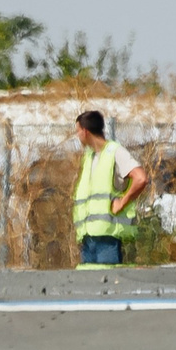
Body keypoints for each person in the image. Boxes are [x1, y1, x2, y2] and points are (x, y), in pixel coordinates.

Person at [71, 109, 149, 269]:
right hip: (88, 237)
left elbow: (140, 178)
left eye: (78, 131)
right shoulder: (89, 157)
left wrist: (122, 202)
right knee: (88, 281)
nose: (77, 136)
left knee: (108, 281)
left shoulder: (114, 152)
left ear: (85, 131)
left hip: (107, 238)